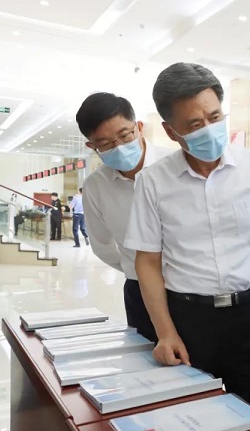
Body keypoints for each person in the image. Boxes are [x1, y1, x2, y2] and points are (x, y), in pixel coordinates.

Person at [124, 63, 250, 421]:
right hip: (190, 322)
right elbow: (147, 262)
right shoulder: (153, 181)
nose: (209, 129)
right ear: (171, 131)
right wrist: (165, 333)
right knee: (193, 419)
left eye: (215, 117)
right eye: (194, 125)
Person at [77, 92, 173, 341]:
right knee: (148, 356)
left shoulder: (176, 165)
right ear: (92, 147)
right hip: (139, 291)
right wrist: (136, 267)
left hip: (191, 288)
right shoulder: (96, 187)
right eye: (106, 144)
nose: (118, 147)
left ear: (139, 127)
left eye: (125, 135)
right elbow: (102, 245)